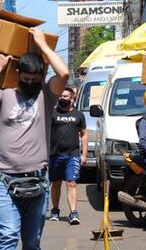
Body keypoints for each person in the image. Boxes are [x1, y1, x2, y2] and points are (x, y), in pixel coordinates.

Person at [0, 28, 69, 250]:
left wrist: (42, 45)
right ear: (18, 74)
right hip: (5, 180)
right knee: (8, 238)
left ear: (41, 77)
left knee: (32, 243)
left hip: (38, 179)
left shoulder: (47, 94)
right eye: (26, 79)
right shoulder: (5, 94)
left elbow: (63, 73)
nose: (30, 83)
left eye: (35, 79)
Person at [48, 86, 87, 224]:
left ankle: (73, 213)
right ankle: (55, 210)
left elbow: (84, 134)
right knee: (56, 184)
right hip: (55, 155)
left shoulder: (78, 115)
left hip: (73, 154)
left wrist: (84, 154)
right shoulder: (52, 114)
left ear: (72, 98)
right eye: (60, 96)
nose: (62, 98)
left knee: (71, 183)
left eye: (65, 96)